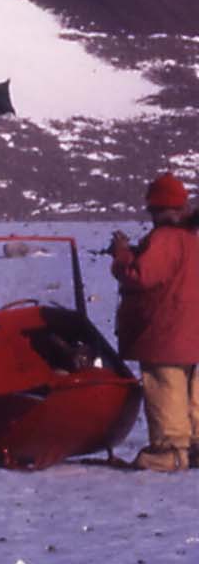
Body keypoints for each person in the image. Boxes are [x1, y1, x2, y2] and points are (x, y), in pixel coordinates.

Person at [109, 172, 199, 471]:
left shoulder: (165, 238)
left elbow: (141, 275)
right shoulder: (191, 239)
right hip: (190, 332)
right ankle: (194, 447)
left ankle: (169, 453)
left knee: (165, 390)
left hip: (164, 333)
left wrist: (122, 255)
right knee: (190, 391)